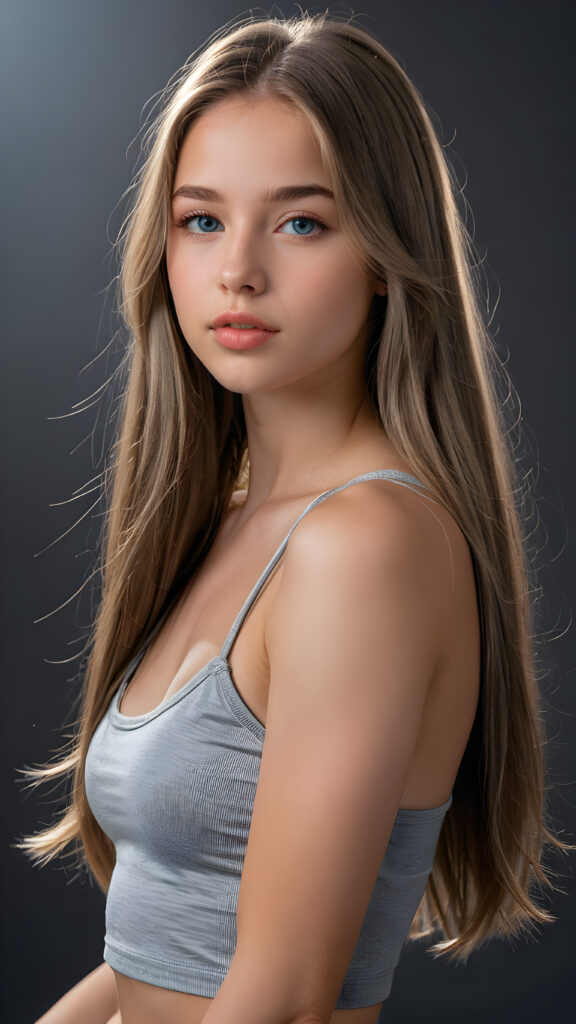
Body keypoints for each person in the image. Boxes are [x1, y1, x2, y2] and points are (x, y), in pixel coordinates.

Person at [16, 10, 569, 1024]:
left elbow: (286, 995)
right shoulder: (231, 521)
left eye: (302, 222)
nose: (239, 270)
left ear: (386, 254)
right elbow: (162, 947)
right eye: (202, 220)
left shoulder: (364, 546)